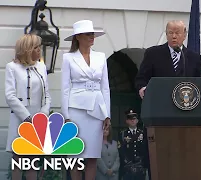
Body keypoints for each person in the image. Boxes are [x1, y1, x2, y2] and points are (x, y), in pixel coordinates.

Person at [61, 20, 111, 180]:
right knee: (76, 156)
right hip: (76, 109)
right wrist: (66, 115)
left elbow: (105, 87)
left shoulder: (101, 57)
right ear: (78, 37)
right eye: (88, 34)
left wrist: (107, 114)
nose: (92, 37)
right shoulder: (68, 58)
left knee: (92, 156)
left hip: (96, 110)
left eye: (93, 34)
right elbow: (65, 88)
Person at [5, 34, 51, 180]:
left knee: (33, 160)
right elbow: (10, 96)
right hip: (21, 118)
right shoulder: (12, 67)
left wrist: (41, 116)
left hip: (38, 120)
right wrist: (27, 117)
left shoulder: (42, 67)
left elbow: (47, 96)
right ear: (27, 49)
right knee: (18, 160)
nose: (39, 50)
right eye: (36, 47)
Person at [135, 20, 201, 99]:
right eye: (171, 33)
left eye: (177, 33)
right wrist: (142, 88)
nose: (174, 36)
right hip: (160, 101)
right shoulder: (153, 54)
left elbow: (200, 81)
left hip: (185, 103)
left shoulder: (194, 57)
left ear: (184, 35)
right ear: (166, 35)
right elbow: (141, 78)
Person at [118, 108, 149, 180]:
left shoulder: (142, 133)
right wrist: (127, 163)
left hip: (140, 167)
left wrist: (143, 164)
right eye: (130, 118)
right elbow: (121, 150)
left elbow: (145, 150)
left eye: (134, 118)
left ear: (137, 120)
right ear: (127, 121)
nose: (132, 120)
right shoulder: (123, 134)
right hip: (127, 168)